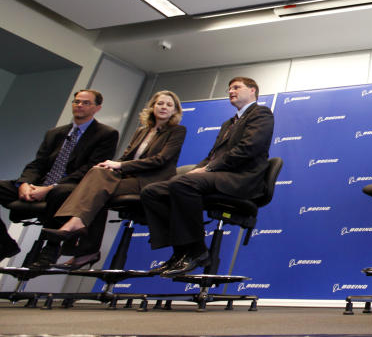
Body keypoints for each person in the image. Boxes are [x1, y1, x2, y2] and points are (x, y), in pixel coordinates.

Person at [139, 77, 273, 277]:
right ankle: (182, 251)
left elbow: (248, 149)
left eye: (236, 87)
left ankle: (197, 251)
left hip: (241, 179)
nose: (231, 91)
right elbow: (213, 155)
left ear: (253, 90)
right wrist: (200, 168)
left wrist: (208, 169)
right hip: (219, 174)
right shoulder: (229, 122)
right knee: (152, 192)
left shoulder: (261, 113)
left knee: (183, 184)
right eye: (229, 88)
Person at [42, 90, 186, 270]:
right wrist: (110, 165)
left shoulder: (177, 131)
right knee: (97, 174)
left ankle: (79, 232)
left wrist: (120, 166)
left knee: (98, 189)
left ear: (175, 111)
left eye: (169, 105)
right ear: (152, 107)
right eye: (160, 103)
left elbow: (160, 160)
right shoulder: (142, 131)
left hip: (151, 181)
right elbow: (125, 157)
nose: (164, 107)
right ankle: (82, 237)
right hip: (128, 178)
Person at [0, 89, 119, 266]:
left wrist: (50, 188)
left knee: (61, 192)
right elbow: (38, 164)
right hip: (39, 184)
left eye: (86, 103)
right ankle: (4, 245)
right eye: (77, 101)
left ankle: (52, 247)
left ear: (97, 108)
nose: (79, 105)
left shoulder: (106, 134)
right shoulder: (54, 133)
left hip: (72, 185)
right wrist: (25, 183)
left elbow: (91, 169)